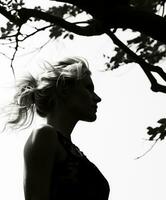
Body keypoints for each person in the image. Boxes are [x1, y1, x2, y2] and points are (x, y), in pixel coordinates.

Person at [7, 57, 110, 200]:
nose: (97, 98)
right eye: (88, 88)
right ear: (64, 89)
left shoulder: (74, 151)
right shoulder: (45, 135)